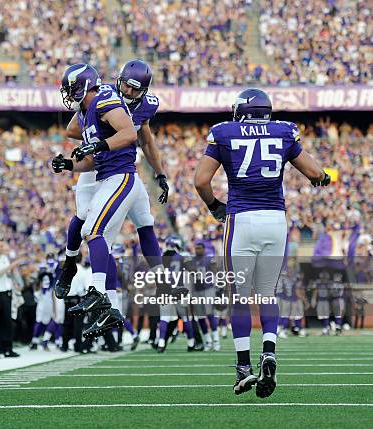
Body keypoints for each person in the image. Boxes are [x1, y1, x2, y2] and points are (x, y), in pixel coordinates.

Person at [194, 88, 331, 398]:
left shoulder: (224, 132)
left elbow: (201, 181)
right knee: (268, 293)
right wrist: (324, 177)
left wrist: (215, 206)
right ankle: (269, 350)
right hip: (274, 220)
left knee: (239, 297)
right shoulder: (284, 131)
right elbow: (313, 172)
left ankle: (244, 367)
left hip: (241, 218)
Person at [53, 60, 172, 308]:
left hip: (119, 168)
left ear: (144, 92)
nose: (128, 92)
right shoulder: (103, 97)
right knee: (84, 217)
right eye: (126, 86)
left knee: (141, 222)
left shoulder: (145, 107)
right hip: (98, 162)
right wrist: (101, 137)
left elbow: (146, 142)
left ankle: (151, 286)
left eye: (134, 89)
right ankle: (69, 265)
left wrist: (160, 173)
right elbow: (74, 129)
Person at [51, 63, 140, 338]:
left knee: (92, 230)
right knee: (91, 231)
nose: (68, 94)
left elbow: (129, 133)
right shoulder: (87, 112)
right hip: (106, 175)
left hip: (121, 175)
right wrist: (67, 164)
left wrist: (101, 144)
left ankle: (99, 292)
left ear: (82, 86)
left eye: (71, 89)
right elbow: (89, 161)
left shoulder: (103, 98)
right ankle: (110, 309)